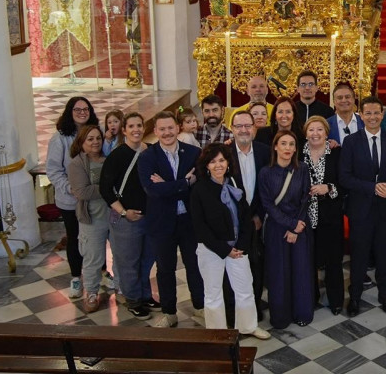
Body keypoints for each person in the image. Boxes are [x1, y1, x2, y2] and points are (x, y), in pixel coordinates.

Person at [189, 143, 270, 340]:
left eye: (222, 160)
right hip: (212, 249)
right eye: (213, 161)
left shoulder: (234, 183)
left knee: (245, 289)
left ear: (228, 163)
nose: (218, 165)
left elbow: (245, 218)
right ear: (206, 165)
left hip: (238, 248)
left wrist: (240, 245)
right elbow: (200, 226)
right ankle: (216, 332)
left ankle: (248, 326)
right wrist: (224, 249)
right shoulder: (199, 189)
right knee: (213, 293)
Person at [138, 111, 204, 328]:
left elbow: (199, 186)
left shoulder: (194, 153)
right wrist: (184, 183)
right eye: (162, 129)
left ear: (177, 128)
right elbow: (152, 190)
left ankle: (200, 306)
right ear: (155, 131)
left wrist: (167, 185)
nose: (167, 133)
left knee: (194, 265)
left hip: (189, 220)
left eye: (170, 128)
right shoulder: (147, 157)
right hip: (161, 222)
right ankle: (169, 312)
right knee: (165, 269)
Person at [340, 96, 386, 316]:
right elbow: (345, 177)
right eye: (368, 113)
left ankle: (384, 294)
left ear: (382, 114)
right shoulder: (351, 142)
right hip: (360, 209)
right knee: (359, 255)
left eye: (376, 113)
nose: (372, 117)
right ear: (361, 115)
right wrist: (372, 187)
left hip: (385, 209)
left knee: (384, 254)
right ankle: (355, 297)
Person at [100, 112, 157, 319]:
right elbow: (105, 188)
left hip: (149, 216)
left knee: (147, 260)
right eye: (131, 126)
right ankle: (132, 299)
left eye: (139, 125)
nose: (136, 130)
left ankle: (145, 295)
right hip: (127, 219)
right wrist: (124, 212)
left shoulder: (150, 151)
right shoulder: (117, 156)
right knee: (128, 262)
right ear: (124, 130)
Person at [259, 130, 315, 328]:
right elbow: (268, 204)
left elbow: (305, 198)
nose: (288, 148)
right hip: (277, 228)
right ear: (275, 146)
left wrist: (296, 227)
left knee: (301, 271)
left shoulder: (302, 169)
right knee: (279, 274)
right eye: (283, 143)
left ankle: (302, 313)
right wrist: (290, 224)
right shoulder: (266, 172)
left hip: (300, 226)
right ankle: (281, 318)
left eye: (292, 144)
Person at [46, 96, 99, 299]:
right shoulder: (59, 138)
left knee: (97, 235)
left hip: (94, 197)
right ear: (70, 112)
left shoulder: (95, 131)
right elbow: (53, 170)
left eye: (86, 109)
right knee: (75, 236)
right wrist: (70, 188)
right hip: (70, 199)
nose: (82, 113)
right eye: (77, 109)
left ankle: (102, 271)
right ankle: (76, 276)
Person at [301, 116, 345, 315]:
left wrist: (329, 188)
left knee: (333, 261)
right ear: (306, 133)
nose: (315, 133)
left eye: (320, 129)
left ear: (327, 133)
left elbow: (346, 182)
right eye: (311, 130)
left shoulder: (337, 153)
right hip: (304, 217)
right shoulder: (298, 153)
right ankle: (310, 298)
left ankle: (336, 301)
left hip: (330, 216)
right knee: (307, 261)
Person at [229, 110, 269, 317]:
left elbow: (269, 188)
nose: (243, 130)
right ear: (232, 129)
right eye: (239, 126)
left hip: (257, 220)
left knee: (257, 263)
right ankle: (236, 309)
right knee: (235, 265)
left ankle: (255, 304)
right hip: (234, 222)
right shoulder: (224, 153)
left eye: (247, 126)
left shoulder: (265, 152)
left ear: (254, 128)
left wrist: (259, 215)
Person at [67, 124, 110, 313]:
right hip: (92, 218)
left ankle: (124, 288)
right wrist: (109, 187)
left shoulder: (108, 159)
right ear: (82, 142)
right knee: (93, 258)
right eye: (90, 139)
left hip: (114, 215)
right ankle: (91, 292)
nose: (95, 142)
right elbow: (82, 191)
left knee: (122, 255)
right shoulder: (77, 164)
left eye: (98, 138)